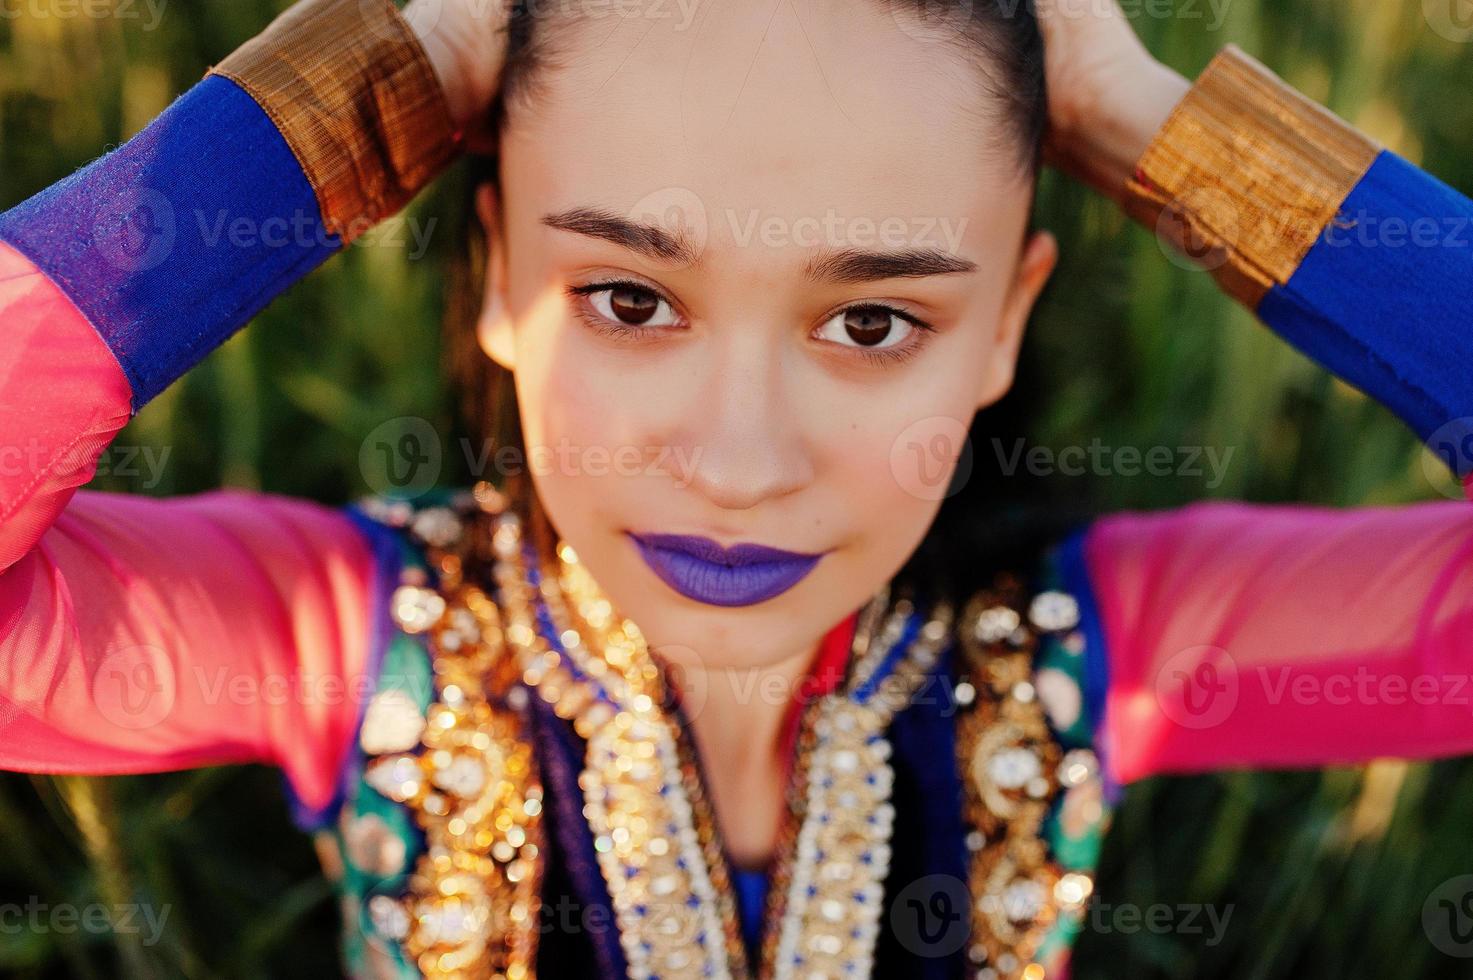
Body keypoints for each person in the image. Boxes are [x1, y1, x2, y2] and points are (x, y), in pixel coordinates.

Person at [1, 0, 1470, 976]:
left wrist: (1161, 126)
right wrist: (355, 95)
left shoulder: (1107, 649)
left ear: (1006, 325)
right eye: (630, 301)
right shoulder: (341, 642)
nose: (740, 463)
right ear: (501, 273)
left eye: (874, 322)